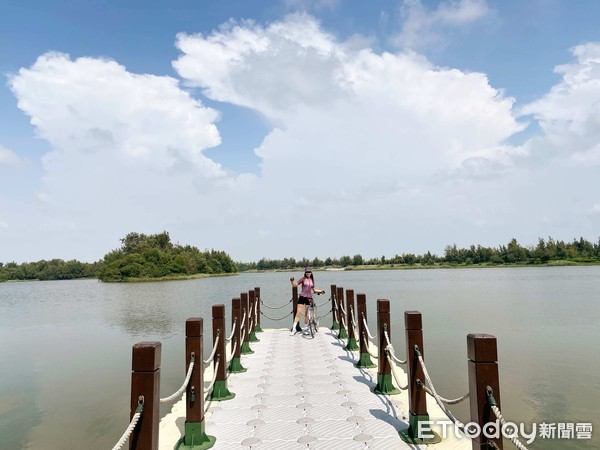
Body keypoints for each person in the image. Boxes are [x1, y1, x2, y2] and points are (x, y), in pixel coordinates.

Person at [289, 266, 325, 335]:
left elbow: (314, 290)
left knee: (307, 314)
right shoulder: (302, 279)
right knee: (298, 313)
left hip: (309, 298)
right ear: (305, 273)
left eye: (309, 272)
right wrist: (292, 281)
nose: (308, 273)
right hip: (302, 297)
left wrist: (321, 291)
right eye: (307, 272)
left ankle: (305, 329)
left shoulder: (312, 280)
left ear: (311, 273)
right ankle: (293, 329)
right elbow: (295, 285)